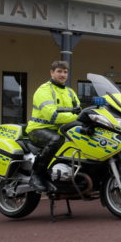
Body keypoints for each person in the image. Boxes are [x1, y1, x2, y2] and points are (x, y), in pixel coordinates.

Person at [26, 61, 80, 192]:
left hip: (61, 130)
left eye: (65, 72)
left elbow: (79, 110)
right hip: (38, 129)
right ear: (52, 73)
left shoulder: (70, 92)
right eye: (59, 71)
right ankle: (37, 175)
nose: (63, 75)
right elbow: (52, 115)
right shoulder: (44, 90)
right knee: (56, 140)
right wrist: (77, 117)